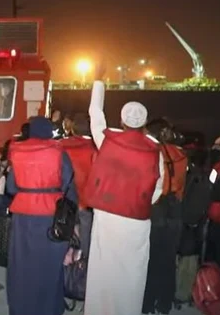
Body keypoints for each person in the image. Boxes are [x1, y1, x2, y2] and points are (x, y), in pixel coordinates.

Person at [83, 62, 164, 315]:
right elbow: (158, 188)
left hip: (107, 214)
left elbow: (95, 113)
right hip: (137, 219)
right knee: (132, 273)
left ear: (122, 120)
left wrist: (98, 80)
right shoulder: (155, 149)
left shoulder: (108, 140)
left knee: (102, 269)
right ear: (145, 122)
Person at [0, 116, 76, 315]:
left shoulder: (18, 152)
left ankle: (21, 308)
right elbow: (69, 185)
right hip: (51, 216)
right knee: (50, 265)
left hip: (23, 217)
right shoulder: (59, 153)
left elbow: (11, 187)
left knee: (22, 266)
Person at [142, 118, 187, 314]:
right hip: (175, 209)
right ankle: (164, 304)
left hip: (156, 208)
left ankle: (147, 303)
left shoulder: (151, 153)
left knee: (151, 258)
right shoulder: (181, 154)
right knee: (169, 260)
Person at [59, 113, 96, 258]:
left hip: (66, 197)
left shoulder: (61, 145)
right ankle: (84, 261)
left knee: (64, 229)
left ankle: (65, 260)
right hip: (87, 199)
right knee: (86, 230)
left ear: (73, 129)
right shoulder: (95, 147)